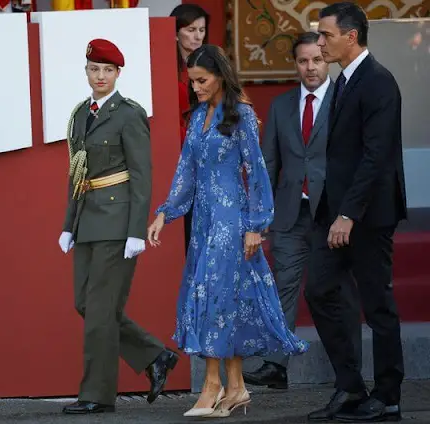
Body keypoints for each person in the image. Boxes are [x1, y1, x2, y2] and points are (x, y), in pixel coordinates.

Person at [147, 44, 308, 418]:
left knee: (214, 298)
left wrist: (256, 225)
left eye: (202, 81)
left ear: (220, 75)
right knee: (222, 301)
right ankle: (236, 389)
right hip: (204, 224)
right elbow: (185, 172)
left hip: (232, 222)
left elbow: (257, 171)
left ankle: (211, 385)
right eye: (193, 82)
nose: (197, 88)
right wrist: (164, 214)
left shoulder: (243, 116)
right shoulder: (199, 115)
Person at [58, 38, 178, 414]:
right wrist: (67, 224)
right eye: (94, 69)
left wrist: (135, 231)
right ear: (86, 71)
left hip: (116, 220)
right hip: (87, 221)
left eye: (107, 70)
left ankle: (96, 394)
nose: (100, 76)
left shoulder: (128, 114)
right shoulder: (80, 114)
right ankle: (156, 355)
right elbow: (77, 173)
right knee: (86, 303)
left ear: (118, 74)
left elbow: (142, 174)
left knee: (99, 312)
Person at [243, 32, 362, 390]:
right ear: (295, 64)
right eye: (303, 61)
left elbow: (358, 158)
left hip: (333, 212)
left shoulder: (345, 100)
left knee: (339, 289)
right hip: (290, 212)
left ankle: (351, 370)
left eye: (317, 60)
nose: (310, 67)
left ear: (327, 60)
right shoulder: (281, 105)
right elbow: (268, 163)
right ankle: (276, 365)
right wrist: (260, 216)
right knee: (283, 285)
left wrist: (353, 211)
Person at [305, 3, 407, 422]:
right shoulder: (344, 80)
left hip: (367, 214)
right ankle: (349, 387)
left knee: (377, 303)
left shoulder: (379, 82)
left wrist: (348, 214)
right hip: (338, 212)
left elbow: (376, 156)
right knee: (320, 290)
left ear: (351, 36)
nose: (320, 42)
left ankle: (388, 395)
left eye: (326, 35)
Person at [169, 3, 210, 255]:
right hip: (178, 154)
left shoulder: (211, 64)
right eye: (191, 29)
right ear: (175, 32)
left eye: (202, 30)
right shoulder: (166, 67)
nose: (197, 36)